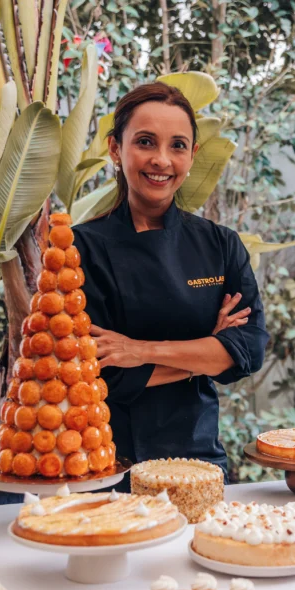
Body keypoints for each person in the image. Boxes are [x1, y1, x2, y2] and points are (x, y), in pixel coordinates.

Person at [73, 82, 268, 479]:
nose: (161, 160)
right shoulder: (82, 248)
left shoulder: (220, 245)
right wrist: (205, 354)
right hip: (105, 464)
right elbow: (102, 374)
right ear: (115, 149)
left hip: (197, 457)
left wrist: (140, 350)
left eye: (177, 145)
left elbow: (248, 351)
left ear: (192, 155)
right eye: (145, 142)